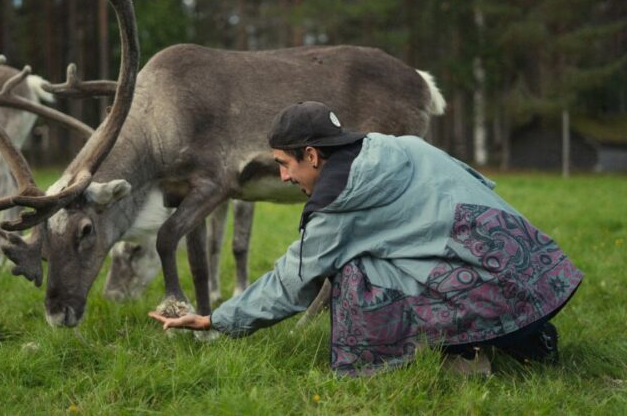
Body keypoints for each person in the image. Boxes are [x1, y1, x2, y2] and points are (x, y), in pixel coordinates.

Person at [149, 101, 582, 376]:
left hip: (483, 280)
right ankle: (526, 338)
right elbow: (477, 184)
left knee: (356, 271)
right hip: (531, 269)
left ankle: (460, 358)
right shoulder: (404, 147)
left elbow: (290, 283)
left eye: (285, 164)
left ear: (313, 155)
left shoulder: (339, 207)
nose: (282, 176)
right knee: (426, 250)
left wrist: (215, 320)